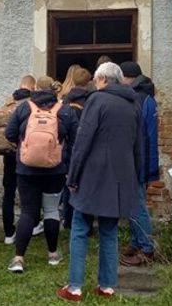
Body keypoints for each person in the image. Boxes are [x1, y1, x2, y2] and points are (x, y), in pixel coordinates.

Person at [58, 62, 142, 302]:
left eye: (96, 80)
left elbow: (83, 140)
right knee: (109, 231)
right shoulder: (133, 104)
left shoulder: (96, 100)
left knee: (80, 228)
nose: (95, 84)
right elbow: (138, 144)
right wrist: (136, 177)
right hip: (120, 176)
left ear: (103, 79)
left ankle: (75, 287)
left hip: (93, 174)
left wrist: (73, 175)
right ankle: (107, 286)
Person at [4, 76, 78, 273]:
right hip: (55, 170)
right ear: (54, 89)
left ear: (35, 88)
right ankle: (52, 254)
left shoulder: (24, 108)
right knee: (52, 210)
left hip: (26, 169)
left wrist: (23, 144)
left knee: (28, 211)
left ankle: (18, 258)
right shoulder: (65, 110)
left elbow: (9, 133)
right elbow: (75, 139)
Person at [120, 61, 159, 266]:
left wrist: (147, 167)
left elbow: (145, 135)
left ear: (129, 78)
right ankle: (136, 242)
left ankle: (146, 249)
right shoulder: (144, 97)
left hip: (137, 160)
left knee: (137, 204)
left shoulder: (140, 99)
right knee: (132, 203)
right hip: (138, 158)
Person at [0, 74, 35, 244]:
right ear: (33, 87)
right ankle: (31, 226)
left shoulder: (8, 103)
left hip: (8, 155)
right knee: (28, 193)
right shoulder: (32, 106)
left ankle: (9, 233)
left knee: (8, 193)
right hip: (26, 154)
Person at [58, 66, 92, 228]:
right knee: (86, 185)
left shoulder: (64, 101)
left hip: (67, 149)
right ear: (88, 82)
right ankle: (86, 221)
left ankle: (68, 219)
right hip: (86, 148)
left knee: (68, 184)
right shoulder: (91, 101)